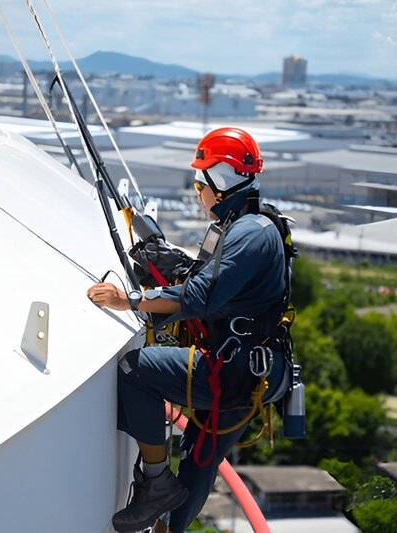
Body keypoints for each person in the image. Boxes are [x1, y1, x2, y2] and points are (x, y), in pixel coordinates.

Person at [87, 127, 290, 533]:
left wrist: (129, 299)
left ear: (222, 180)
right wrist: (173, 264)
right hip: (252, 367)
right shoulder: (250, 224)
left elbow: (200, 296)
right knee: (200, 459)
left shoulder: (249, 233)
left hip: (234, 370)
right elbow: (216, 281)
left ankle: (156, 482)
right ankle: (168, 525)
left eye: (201, 183)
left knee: (135, 370)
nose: (198, 193)